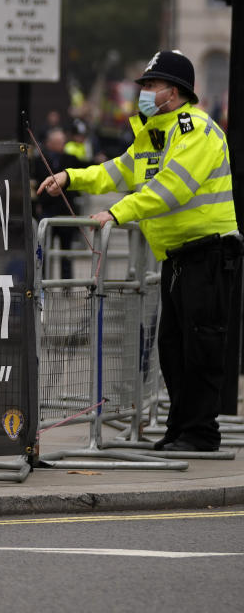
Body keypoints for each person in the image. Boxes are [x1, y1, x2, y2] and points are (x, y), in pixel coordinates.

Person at [38, 50, 240, 452]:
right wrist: (69, 177)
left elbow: (172, 188)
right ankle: (180, 431)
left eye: (151, 85)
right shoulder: (155, 134)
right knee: (173, 348)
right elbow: (115, 170)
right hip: (178, 257)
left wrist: (117, 210)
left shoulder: (195, 129)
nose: (144, 93)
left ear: (176, 91)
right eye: (144, 85)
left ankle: (200, 434)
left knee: (201, 347)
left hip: (209, 253)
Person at [34, 127, 84, 279]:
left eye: (63, 141)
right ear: (50, 143)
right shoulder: (38, 161)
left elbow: (85, 169)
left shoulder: (70, 159)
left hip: (65, 212)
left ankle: (66, 284)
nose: (62, 144)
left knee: (66, 253)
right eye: (59, 142)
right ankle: (42, 283)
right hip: (48, 212)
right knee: (44, 251)